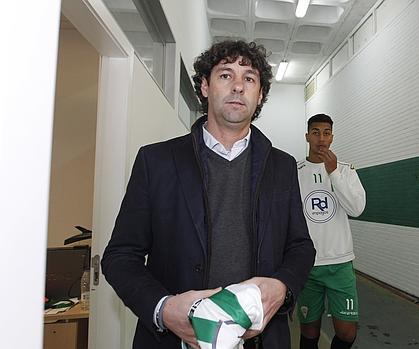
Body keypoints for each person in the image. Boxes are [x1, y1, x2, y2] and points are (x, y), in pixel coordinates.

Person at [101, 40, 316, 349]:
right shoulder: (157, 161)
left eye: (250, 78)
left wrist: (282, 287)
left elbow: (300, 246)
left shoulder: (281, 166)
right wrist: (163, 308)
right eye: (226, 75)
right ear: (204, 86)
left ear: (260, 96)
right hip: (174, 340)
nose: (238, 86)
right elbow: (120, 256)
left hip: (261, 339)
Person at [295, 113, 366, 349]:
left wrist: (333, 172)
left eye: (326, 133)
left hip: (340, 263)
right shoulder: (294, 172)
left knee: (347, 333)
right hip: (307, 265)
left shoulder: (345, 171)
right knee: (309, 331)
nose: (321, 138)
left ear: (332, 137)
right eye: (315, 132)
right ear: (307, 136)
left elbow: (356, 208)